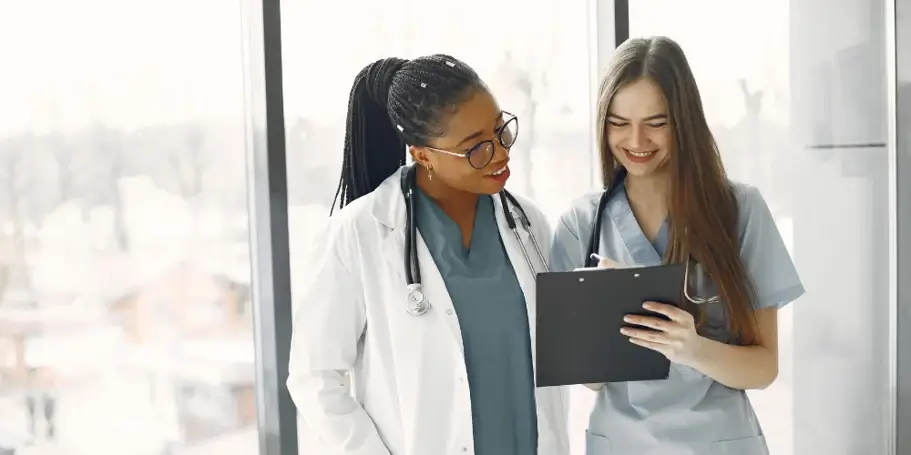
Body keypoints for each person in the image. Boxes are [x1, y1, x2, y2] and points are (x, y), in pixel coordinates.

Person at [288, 54, 570, 455]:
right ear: (422, 155)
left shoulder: (528, 225)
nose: (501, 153)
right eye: (476, 149)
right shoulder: (359, 234)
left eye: (500, 131)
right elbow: (313, 378)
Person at [550, 36, 805, 455]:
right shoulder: (581, 224)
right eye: (618, 122)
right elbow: (590, 381)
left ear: (683, 120)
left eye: (656, 122)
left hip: (717, 441)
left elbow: (763, 368)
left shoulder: (740, 211)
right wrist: (604, 316)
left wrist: (693, 349)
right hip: (622, 441)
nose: (636, 140)